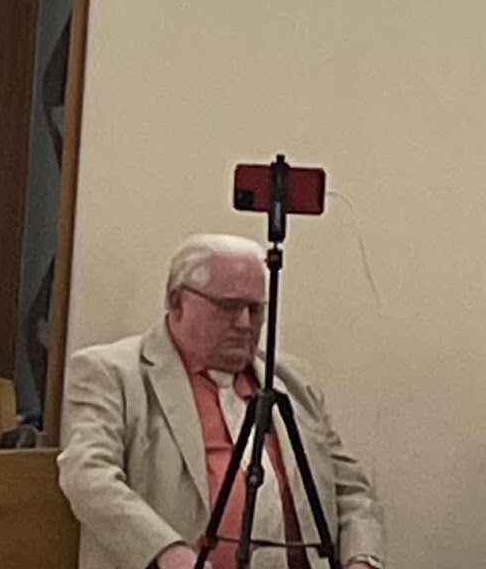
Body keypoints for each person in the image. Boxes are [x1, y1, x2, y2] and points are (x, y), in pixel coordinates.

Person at [57, 234, 384, 569]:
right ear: (176, 301)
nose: (244, 324)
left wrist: (363, 558)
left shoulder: (293, 380)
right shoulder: (114, 373)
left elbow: (351, 490)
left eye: (255, 310)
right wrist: (167, 552)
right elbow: (88, 475)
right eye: (228, 308)